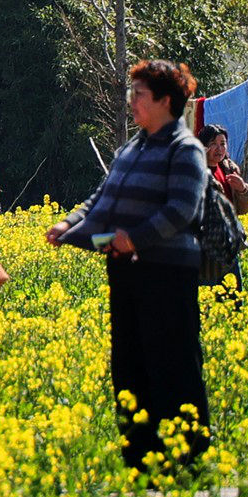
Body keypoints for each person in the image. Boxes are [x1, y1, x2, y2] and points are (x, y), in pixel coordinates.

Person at [46, 59, 212, 469]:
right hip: (127, 271)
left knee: (171, 363)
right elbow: (101, 198)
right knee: (130, 364)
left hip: (167, 273)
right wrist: (70, 223)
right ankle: (140, 460)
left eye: (139, 94)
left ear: (165, 101)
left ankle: (186, 458)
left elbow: (183, 209)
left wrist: (136, 237)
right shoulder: (132, 148)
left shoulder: (185, 148)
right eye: (131, 93)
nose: (131, 101)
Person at [201, 123, 248, 213]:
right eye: (213, 144)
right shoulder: (198, 172)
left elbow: (244, 209)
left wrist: (243, 190)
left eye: (222, 144)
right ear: (204, 147)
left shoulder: (229, 169)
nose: (219, 149)